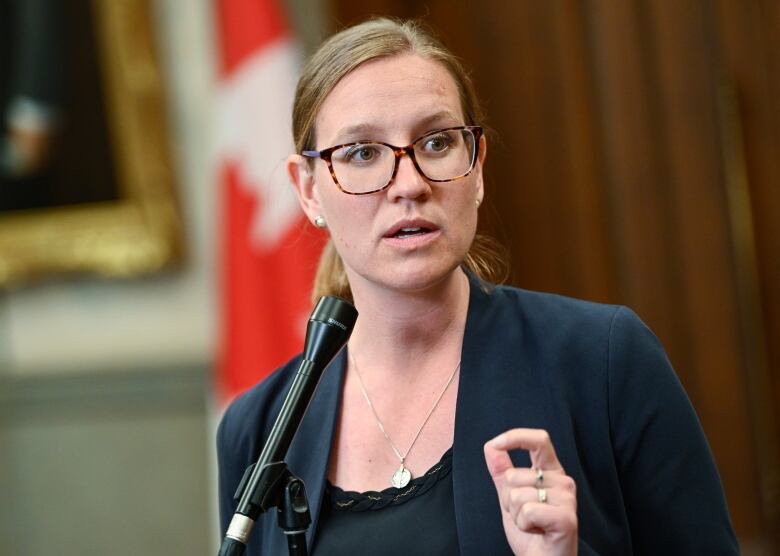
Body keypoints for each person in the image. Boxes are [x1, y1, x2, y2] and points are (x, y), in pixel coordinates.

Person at [217, 17, 739, 555]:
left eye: (438, 142)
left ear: (478, 166)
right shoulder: (256, 427)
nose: (410, 184)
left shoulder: (603, 360)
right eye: (362, 153)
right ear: (307, 190)